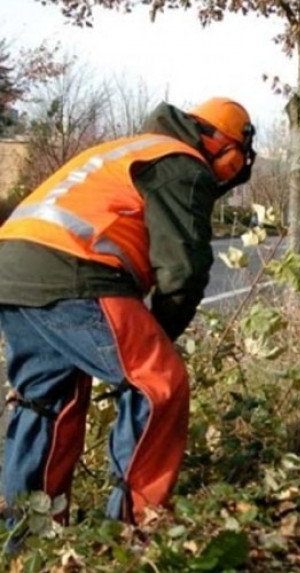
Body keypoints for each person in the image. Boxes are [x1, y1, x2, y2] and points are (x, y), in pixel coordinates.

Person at [0, 97, 256, 526]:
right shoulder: (182, 162)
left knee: (45, 402)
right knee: (159, 385)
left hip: (12, 269)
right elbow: (182, 271)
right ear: (223, 145)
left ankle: (27, 537)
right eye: (234, 164)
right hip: (77, 271)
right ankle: (133, 529)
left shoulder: (129, 148)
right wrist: (161, 335)